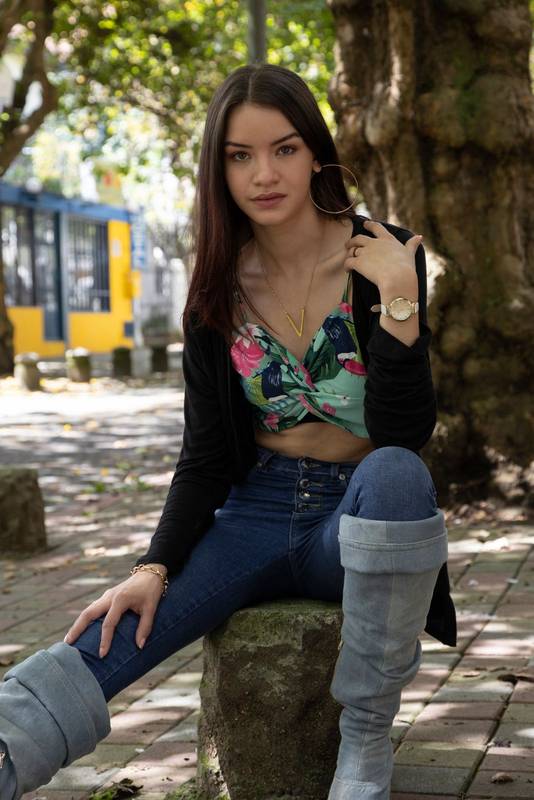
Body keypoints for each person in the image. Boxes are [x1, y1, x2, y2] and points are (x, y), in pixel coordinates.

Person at [0, 63, 456, 800]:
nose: (263, 174)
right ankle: (7, 749)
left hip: (357, 518)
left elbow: (406, 432)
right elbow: (207, 454)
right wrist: (152, 565)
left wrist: (400, 302)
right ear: (218, 169)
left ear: (315, 152)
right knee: (123, 624)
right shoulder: (215, 285)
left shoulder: (385, 258)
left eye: (283, 149)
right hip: (255, 511)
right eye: (239, 156)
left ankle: (365, 743)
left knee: (401, 473)